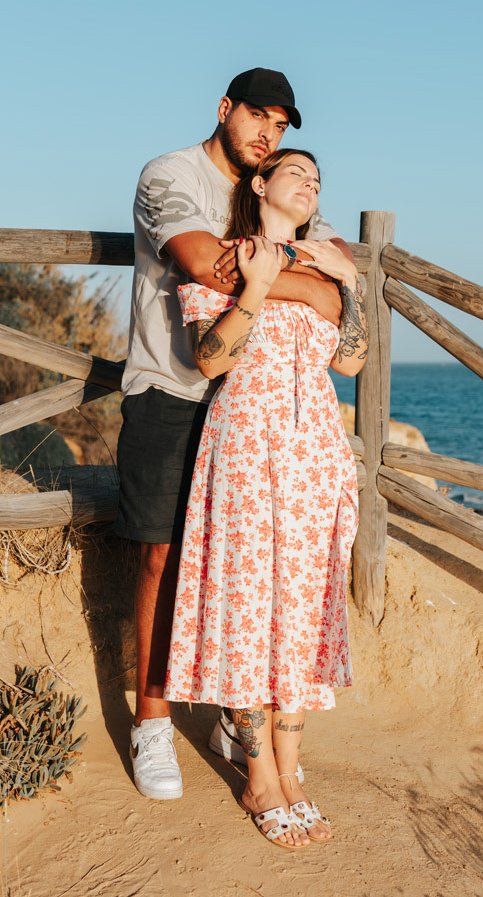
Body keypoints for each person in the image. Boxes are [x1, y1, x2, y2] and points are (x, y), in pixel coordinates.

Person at [117, 69, 352, 800]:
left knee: (243, 568)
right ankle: (153, 720)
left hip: (255, 414)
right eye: (258, 117)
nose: (267, 134)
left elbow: (334, 279)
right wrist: (305, 281)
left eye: (279, 126)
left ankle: (232, 712)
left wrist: (284, 272)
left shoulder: (281, 181)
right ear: (225, 110)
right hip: (174, 386)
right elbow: (202, 262)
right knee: (163, 555)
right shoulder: (171, 175)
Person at [164, 149, 367, 847]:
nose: (310, 184)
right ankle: (260, 777)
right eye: (296, 173)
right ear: (259, 183)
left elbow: (351, 360)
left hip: (315, 457)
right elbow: (211, 360)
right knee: (247, 606)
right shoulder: (226, 259)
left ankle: (290, 768)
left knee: (302, 610)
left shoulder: (328, 265)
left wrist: (347, 284)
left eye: (318, 179)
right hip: (247, 447)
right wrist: (257, 286)